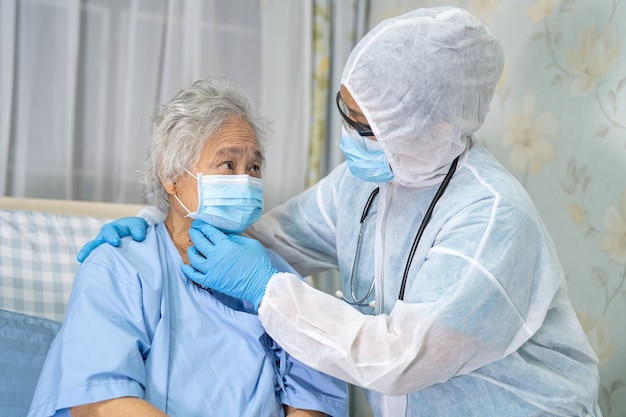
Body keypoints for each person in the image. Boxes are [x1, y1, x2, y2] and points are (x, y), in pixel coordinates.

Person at [76, 6, 602, 417]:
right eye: (344, 111)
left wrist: (267, 289)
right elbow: (271, 239)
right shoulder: (364, 183)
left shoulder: (492, 220)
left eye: (366, 125)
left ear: (436, 129)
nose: (349, 136)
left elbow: (398, 357)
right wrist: (158, 228)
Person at [28, 77, 349, 417]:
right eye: (228, 164)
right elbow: (101, 402)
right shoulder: (120, 266)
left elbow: (312, 405)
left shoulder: (275, 280)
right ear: (171, 173)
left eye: (254, 167)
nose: (246, 180)